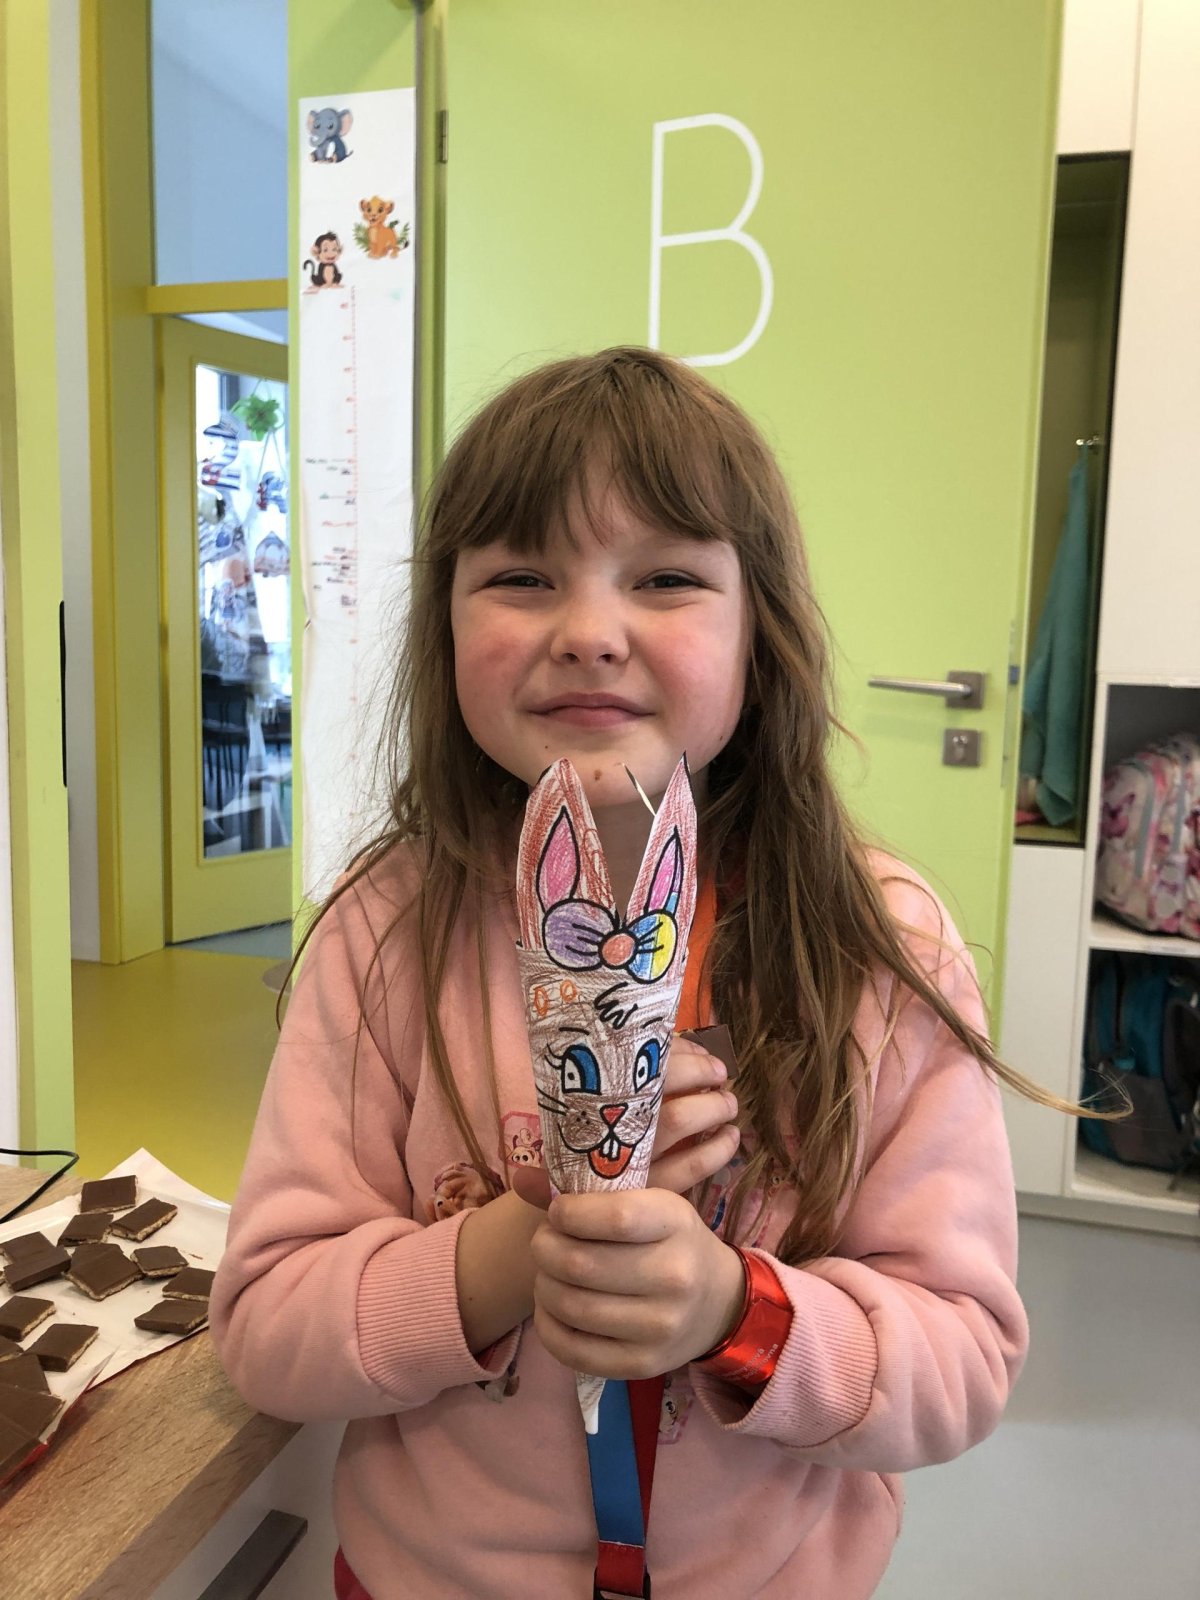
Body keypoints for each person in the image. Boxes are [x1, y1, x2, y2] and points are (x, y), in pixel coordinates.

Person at [210, 347, 1093, 1599]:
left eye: (667, 577)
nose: (587, 634)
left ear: (759, 631)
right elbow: (266, 1325)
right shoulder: (385, 931)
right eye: (521, 577)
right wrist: (512, 1250)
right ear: (444, 623)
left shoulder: (879, 944)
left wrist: (735, 1310)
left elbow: (960, 1358)